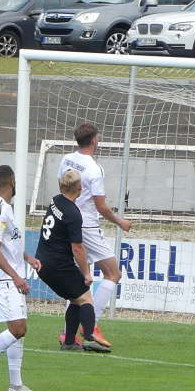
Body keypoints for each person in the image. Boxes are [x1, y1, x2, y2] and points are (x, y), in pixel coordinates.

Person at [57, 123, 132, 348]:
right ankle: (92, 325)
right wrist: (121, 222)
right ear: (94, 140)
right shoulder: (93, 168)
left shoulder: (66, 160)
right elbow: (101, 206)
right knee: (113, 273)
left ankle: (66, 333)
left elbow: (63, 188)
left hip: (68, 221)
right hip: (87, 226)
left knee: (80, 282)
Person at [0, 165, 43, 391]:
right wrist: (16, 277)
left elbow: (6, 243)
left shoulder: (4, 207)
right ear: (12, 182)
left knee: (19, 324)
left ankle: (15, 384)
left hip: (10, 273)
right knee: (18, 328)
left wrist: (26, 257)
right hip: (1, 276)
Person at [36, 169, 111, 353]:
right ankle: (89, 338)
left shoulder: (55, 201)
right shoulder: (73, 213)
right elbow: (77, 248)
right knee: (86, 299)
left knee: (76, 298)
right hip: (57, 264)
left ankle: (69, 342)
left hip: (43, 262)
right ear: (80, 187)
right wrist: (86, 273)